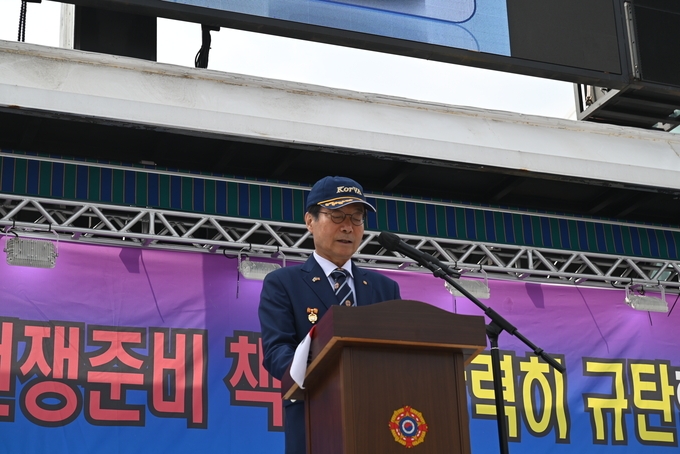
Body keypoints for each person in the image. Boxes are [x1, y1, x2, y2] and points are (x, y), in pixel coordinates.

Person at [258, 175, 401, 454]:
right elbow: (277, 353)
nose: (348, 227)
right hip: (316, 420)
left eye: (356, 218)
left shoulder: (385, 288)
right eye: (336, 216)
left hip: (380, 422)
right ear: (310, 221)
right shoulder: (283, 283)